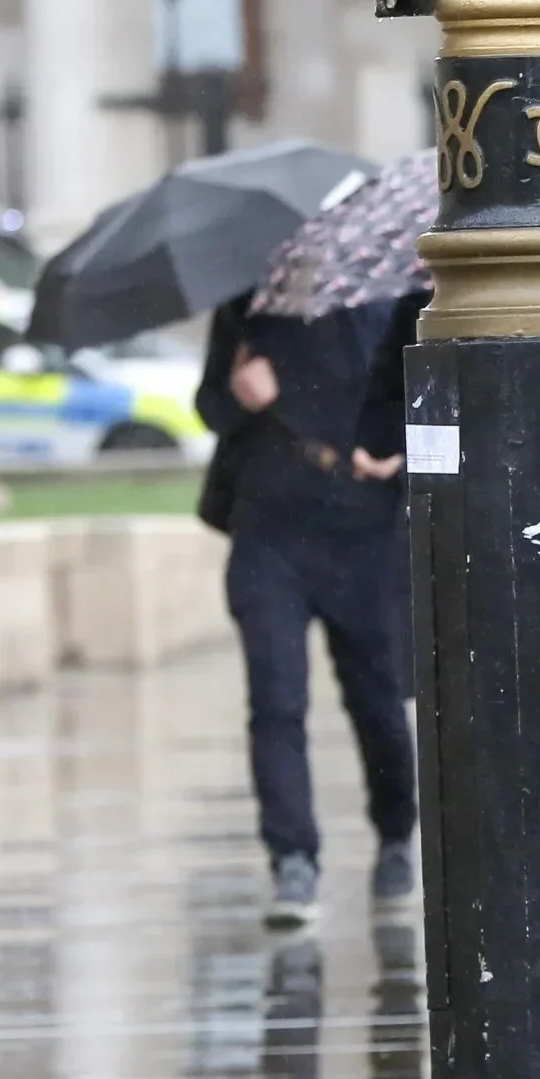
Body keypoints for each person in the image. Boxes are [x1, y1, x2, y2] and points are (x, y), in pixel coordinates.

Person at [193, 293, 419, 929]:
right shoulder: (246, 307)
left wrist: (395, 450)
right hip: (269, 532)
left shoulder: (389, 302)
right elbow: (209, 407)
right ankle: (292, 860)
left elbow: (418, 399)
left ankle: (396, 834)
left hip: (364, 531)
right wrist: (240, 393)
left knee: (376, 703)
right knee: (275, 702)